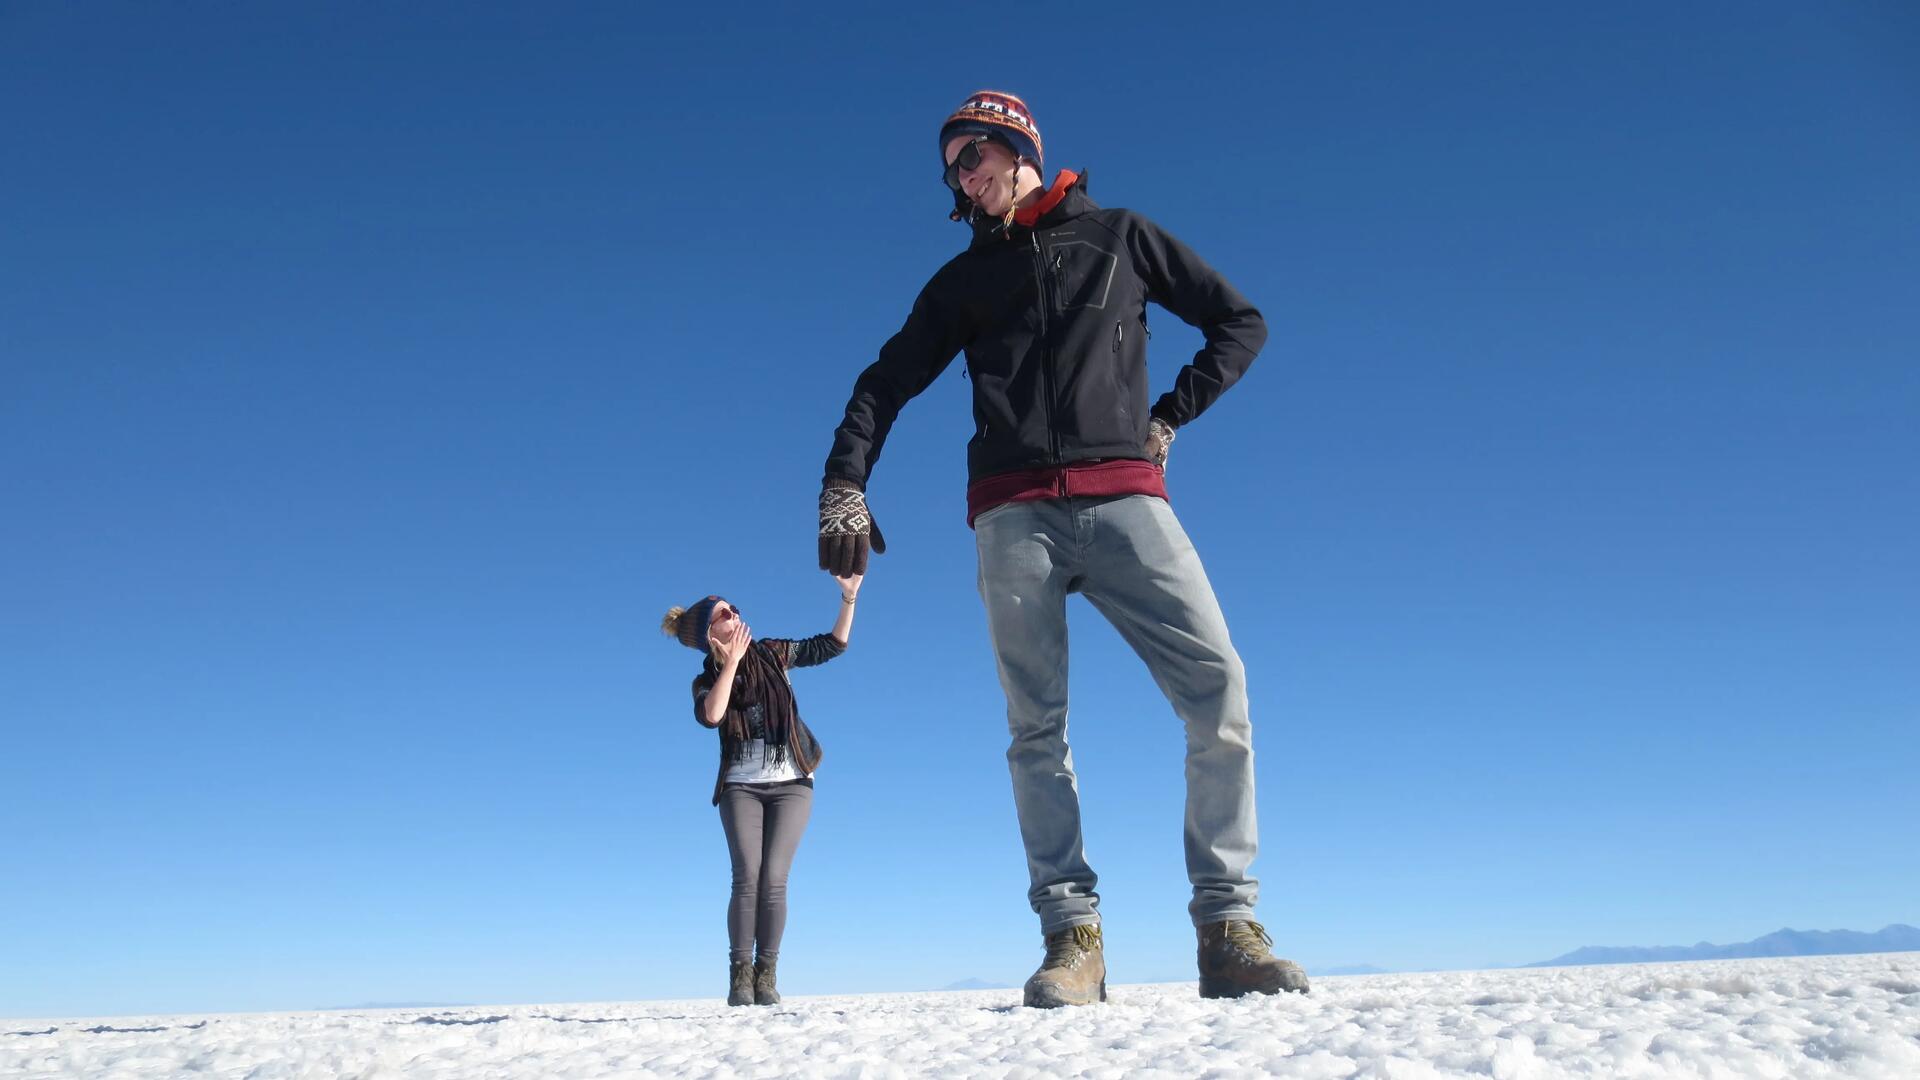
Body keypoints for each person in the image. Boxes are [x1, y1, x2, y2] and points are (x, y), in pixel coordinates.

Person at [816, 90, 1308, 1007]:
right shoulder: (962, 282)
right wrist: (845, 482)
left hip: (1127, 500)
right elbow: (883, 384)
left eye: (974, 157)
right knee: (1034, 730)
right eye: (953, 169)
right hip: (1012, 517)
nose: (963, 180)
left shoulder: (1120, 236)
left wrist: (1169, 415)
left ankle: (1227, 926)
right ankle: (1071, 936)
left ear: (1019, 148)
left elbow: (1240, 323)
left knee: (1220, 693)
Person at [660, 574, 862, 1006]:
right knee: (746, 877)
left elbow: (831, 645)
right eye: (724, 615)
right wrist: (730, 663)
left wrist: (849, 596)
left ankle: (767, 974)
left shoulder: (773, 654)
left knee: (774, 879)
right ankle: (740, 977)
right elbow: (712, 716)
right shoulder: (705, 679)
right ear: (709, 634)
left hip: (792, 781)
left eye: (735, 609)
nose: (736, 616)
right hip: (741, 787)